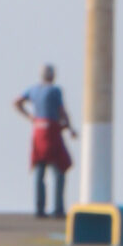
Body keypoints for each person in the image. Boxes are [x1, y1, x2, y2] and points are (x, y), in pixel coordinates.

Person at [12, 66, 75, 219]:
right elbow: (62, 110)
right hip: (52, 132)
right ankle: (58, 208)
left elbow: (17, 102)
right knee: (60, 169)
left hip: (38, 131)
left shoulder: (33, 90)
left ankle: (39, 208)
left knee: (40, 171)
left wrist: (30, 117)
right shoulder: (55, 91)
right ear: (53, 76)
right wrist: (70, 127)